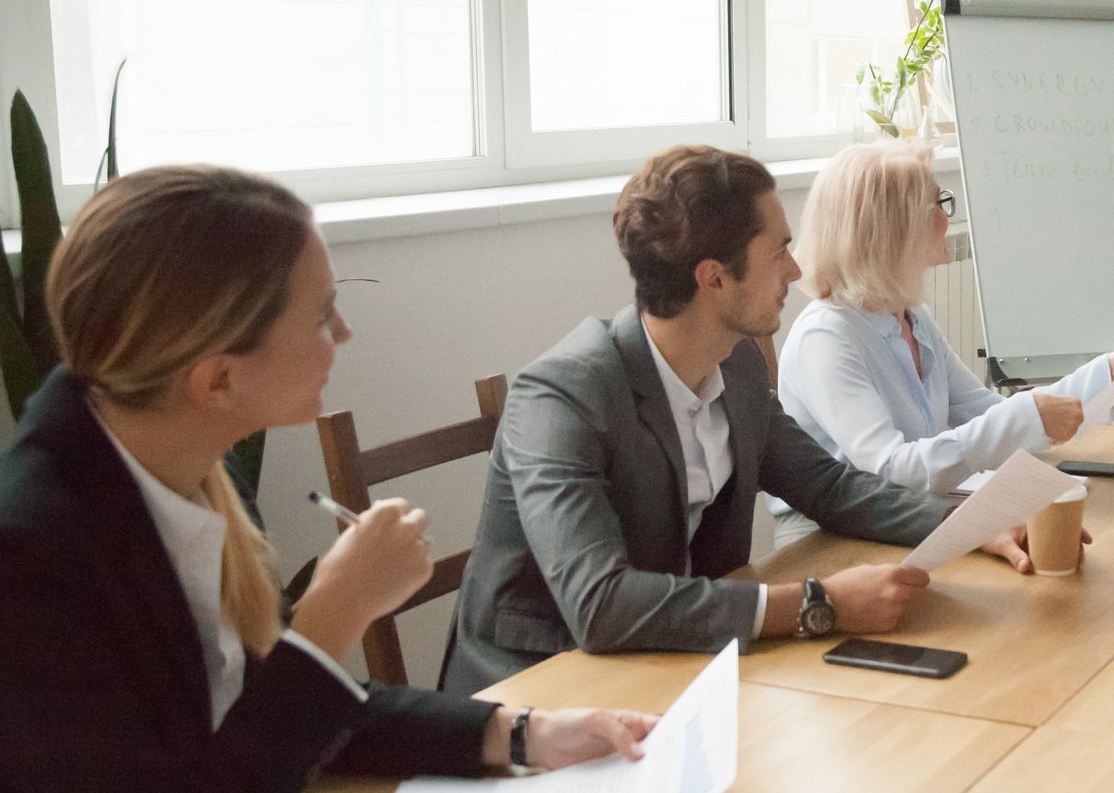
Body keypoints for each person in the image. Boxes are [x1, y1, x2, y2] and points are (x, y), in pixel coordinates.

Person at [0, 167, 653, 793]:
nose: (343, 336)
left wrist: (524, 732)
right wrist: (332, 619)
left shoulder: (173, 466)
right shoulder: (22, 556)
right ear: (218, 380)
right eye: (322, 315)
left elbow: (267, 704)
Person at [443, 145, 1038, 697]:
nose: (797, 269)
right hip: (539, 690)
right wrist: (818, 602)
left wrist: (968, 524)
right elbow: (601, 603)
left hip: (673, 661)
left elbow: (828, 486)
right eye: (779, 249)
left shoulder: (740, 366)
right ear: (714, 277)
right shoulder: (563, 394)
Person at [771, 141, 1114, 548]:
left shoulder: (909, 316)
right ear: (892, 229)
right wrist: (1025, 418)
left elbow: (990, 413)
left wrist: (1108, 375)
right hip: (827, 540)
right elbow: (890, 471)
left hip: (910, 517)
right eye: (936, 204)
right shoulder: (827, 337)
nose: (946, 217)